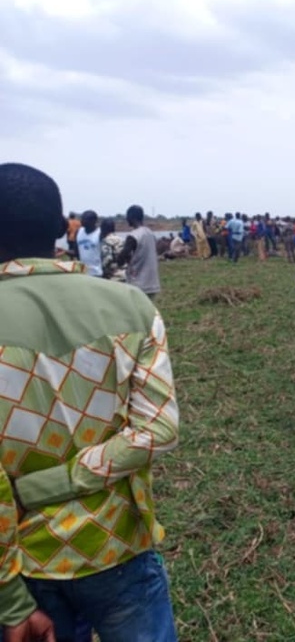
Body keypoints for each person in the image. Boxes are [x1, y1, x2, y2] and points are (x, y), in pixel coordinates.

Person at [0, 162, 180, 641]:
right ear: (64, 228)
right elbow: (159, 430)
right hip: (117, 544)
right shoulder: (133, 308)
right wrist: (73, 477)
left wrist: (10, 600)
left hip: (23, 563)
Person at [117, 205, 161, 300]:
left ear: (132, 217)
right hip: (152, 282)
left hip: (138, 283)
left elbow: (121, 258)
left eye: (127, 217)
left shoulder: (133, 236)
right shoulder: (150, 233)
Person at [75, 210, 102, 278]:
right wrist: (64, 251)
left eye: (85, 219)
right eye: (82, 218)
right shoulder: (79, 232)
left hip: (97, 272)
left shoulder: (100, 233)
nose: (82, 221)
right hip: (83, 272)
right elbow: (76, 252)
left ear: (94, 221)